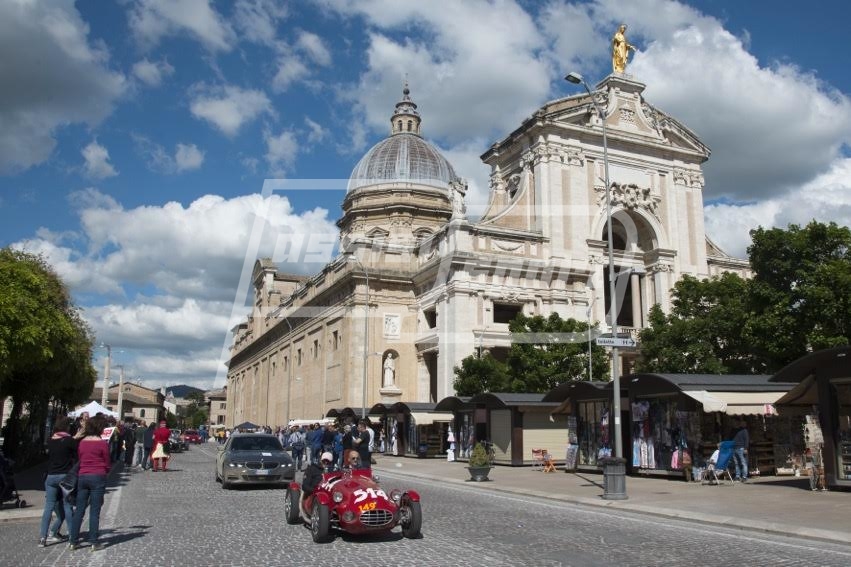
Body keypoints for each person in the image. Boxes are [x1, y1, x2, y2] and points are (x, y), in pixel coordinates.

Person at [68, 415, 111, 551]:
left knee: (79, 510)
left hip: (83, 476)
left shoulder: (82, 443)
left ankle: (73, 541)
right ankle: (94, 541)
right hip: (98, 476)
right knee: (94, 511)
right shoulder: (102, 443)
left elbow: (80, 458)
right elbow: (107, 462)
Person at [38, 416, 76, 548]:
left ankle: (43, 537)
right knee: (67, 506)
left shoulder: (50, 440)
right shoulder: (69, 441)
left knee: (48, 507)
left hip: (51, 476)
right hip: (65, 476)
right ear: (67, 427)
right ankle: (72, 536)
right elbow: (76, 455)